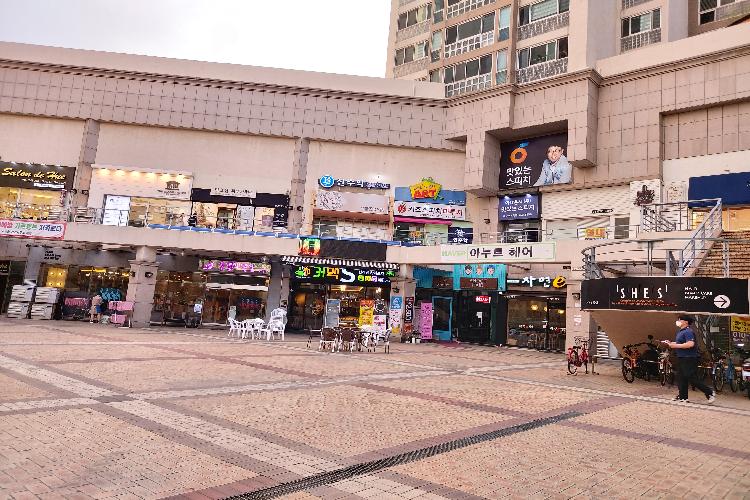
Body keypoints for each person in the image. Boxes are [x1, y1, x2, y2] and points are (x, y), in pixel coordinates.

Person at [662, 315, 715, 404]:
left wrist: (675, 345)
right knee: (681, 378)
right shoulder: (681, 332)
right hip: (681, 357)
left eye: (680, 320)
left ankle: (709, 392)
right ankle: (683, 397)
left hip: (689, 358)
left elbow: (690, 344)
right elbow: (680, 343)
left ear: (686, 322)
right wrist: (670, 343)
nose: (678, 321)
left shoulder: (688, 331)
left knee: (691, 378)